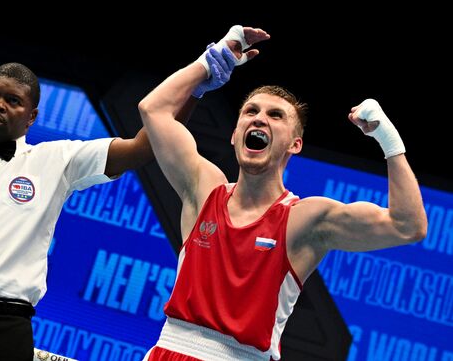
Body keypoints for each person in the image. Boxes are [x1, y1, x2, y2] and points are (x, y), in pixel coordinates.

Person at [0, 58, 233, 361]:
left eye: (13, 100)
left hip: (0, 329)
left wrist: (195, 86)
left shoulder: (57, 160)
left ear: (31, 116)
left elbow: (144, 147)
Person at [138, 25, 428, 361]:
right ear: (234, 135)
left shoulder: (305, 219)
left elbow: (408, 226)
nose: (260, 119)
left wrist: (389, 141)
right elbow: (153, 109)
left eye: (275, 116)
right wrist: (208, 62)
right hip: (167, 351)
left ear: (295, 144)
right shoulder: (204, 188)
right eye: (251, 111)